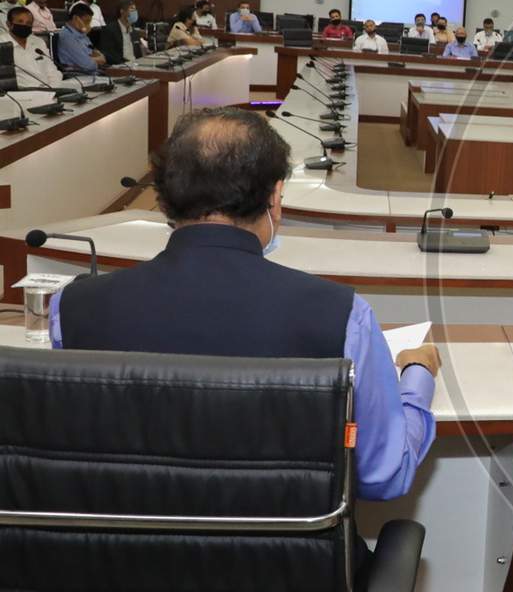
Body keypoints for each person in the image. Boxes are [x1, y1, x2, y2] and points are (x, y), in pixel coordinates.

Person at [45, 107, 442, 503]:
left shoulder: (72, 308)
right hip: (284, 562)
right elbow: (382, 475)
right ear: (273, 198)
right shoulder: (342, 317)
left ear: (164, 199)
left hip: (114, 558)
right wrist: (417, 376)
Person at [5, 7, 63, 87]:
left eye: (29, 23)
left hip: (48, 91)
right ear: (9, 24)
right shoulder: (2, 45)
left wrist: (52, 88)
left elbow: (52, 71)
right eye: (20, 21)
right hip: (20, 94)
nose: (24, 25)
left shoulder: (38, 42)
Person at [55, 2, 105, 73]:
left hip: (94, 73)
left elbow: (96, 54)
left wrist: (93, 58)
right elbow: (87, 65)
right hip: (78, 75)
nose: (88, 25)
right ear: (75, 18)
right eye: (86, 21)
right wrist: (96, 60)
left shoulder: (83, 35)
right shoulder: (67, 36)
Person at [96, 0, 146, 66]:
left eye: (135, 10)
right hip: (120, 65)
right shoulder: (109, 30)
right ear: (122, 11)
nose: (135, 13)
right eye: (132, 9)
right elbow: (109, 55)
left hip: (136, 64)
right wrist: (126, 63)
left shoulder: (134, 32)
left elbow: (138, 53)